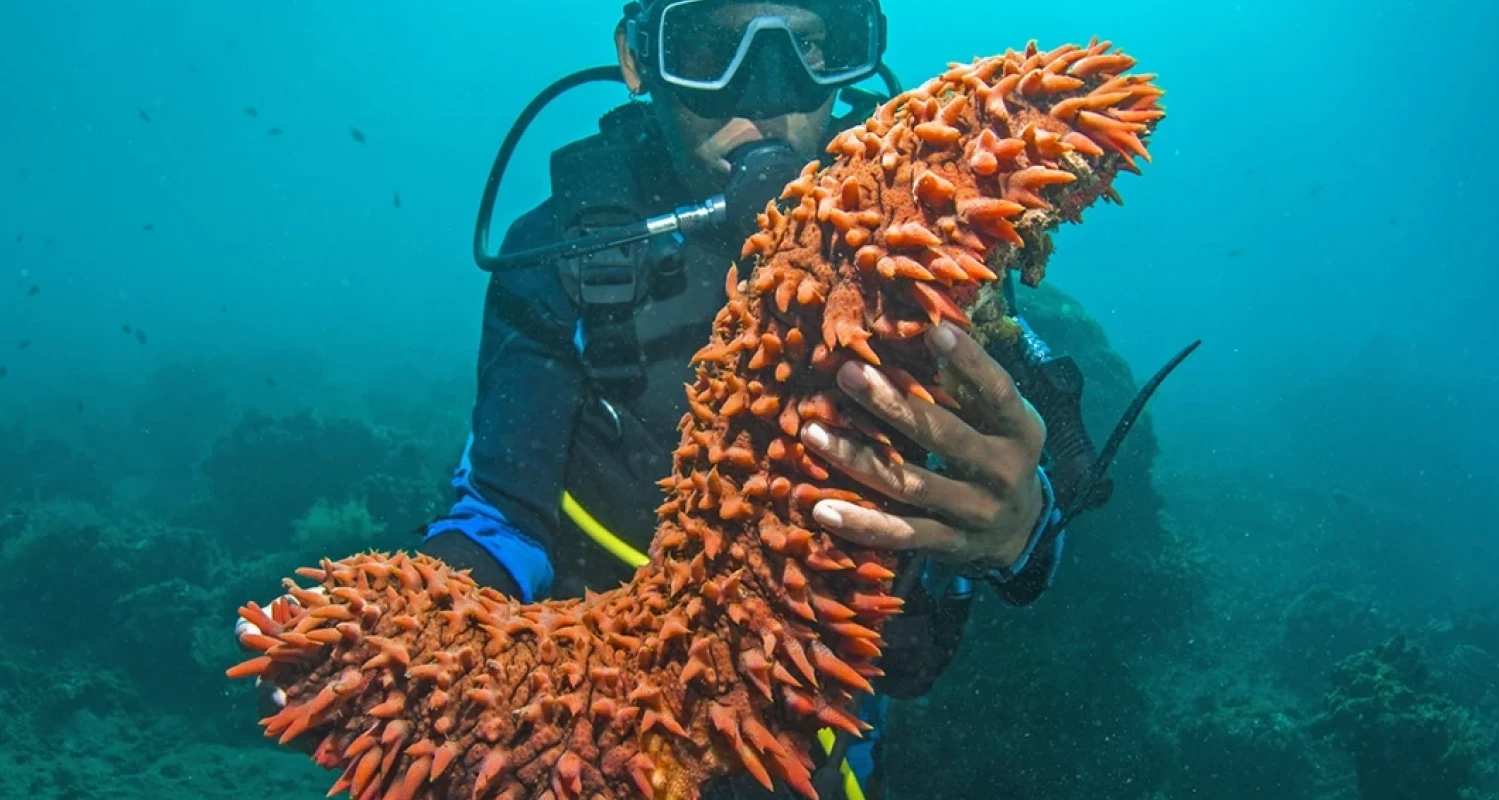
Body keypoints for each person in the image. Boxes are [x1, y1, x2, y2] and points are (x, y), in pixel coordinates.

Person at [252, 2, 1134, 798]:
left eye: (814, 46)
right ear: (640, 59)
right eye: (713, 46)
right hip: (606, 671)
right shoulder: (559, 256)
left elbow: (1026, 524)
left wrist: (1023, 534)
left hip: (818, 743)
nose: (769, 93)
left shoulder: (927, 253)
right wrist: (430, 622)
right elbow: (500, 511)